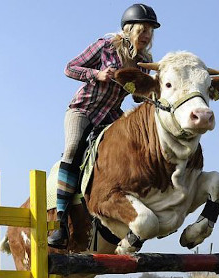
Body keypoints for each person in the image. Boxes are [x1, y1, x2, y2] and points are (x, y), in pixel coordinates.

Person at [48, 4, 160, 248]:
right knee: (73, 149)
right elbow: (70, 67)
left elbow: (138, 98)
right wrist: (96, 75)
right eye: (143, 29)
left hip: (111, 115)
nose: (147, 35)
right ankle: (59, 223)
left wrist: (150, 89)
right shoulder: (106, 45)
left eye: (151, 31)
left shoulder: (144, 62)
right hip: (83, 110)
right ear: (129, 29)